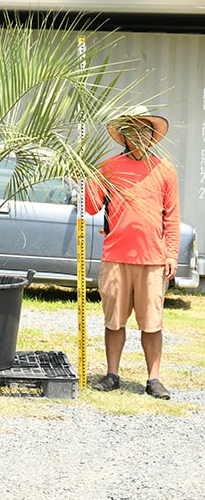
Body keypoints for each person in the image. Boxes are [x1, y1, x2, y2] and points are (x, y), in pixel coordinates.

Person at [85, 106, 180, 399]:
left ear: (152, 136)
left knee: (152, 324)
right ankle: (112, 374)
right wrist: (84, 177)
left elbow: (172, 216)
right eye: (132, 130)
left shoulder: (164, 169)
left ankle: (153, 379)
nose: (138, 135)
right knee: (114, 321)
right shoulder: (108, 168)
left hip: (152, 260)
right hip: (115, 258)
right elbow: (90, 206)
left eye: (144, 129)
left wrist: (172, 254)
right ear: (124, 136)